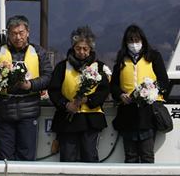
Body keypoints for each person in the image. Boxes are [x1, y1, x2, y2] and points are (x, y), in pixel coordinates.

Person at [0, 15, 52, 161]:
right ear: (8, 34)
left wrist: (31, 85)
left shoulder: (38, 52)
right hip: (4, 112)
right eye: (14, 33)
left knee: (26, 156)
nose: (18, 37)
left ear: (28, 32)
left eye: (21, 33)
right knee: (3, 157)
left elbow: (48, 76)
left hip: (28, 111)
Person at [48, 26, 110, 162]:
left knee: (89, 155)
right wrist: (65, 104)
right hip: (68, 119)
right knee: (67, 156)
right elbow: (54, 90)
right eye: (78, 48)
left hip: (91, 119)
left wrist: (88, 99)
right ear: (73, 48)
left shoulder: (99, 67)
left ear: (90, 49)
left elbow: (104, 90)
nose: (81, 52)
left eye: (85, 49)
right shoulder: (62, 67)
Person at [111, 24, 169, 163]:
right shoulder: (121, 59)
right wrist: (120, 95)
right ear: (126, 43)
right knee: (130, 156)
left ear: (143, 40)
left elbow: (163, 81)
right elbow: (113, 85)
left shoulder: (154, 56)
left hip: (148, 113)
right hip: (127, 112)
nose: (134, 44)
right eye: (130, 41)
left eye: (137, 40)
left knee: (147, 155)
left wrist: (150, 92)